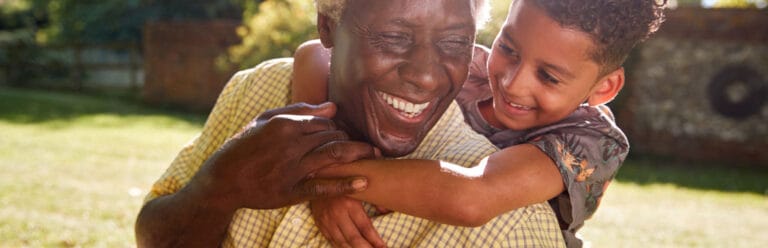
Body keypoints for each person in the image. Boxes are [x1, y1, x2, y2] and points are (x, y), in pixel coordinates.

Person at [135, 0, 566, 247]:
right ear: (328, 27)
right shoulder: (258, 90)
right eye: (394, 38)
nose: (426, 75)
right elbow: (153, 236)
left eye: (455, 43)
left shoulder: (510, 228)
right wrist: (218, 188)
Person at [290, 0, 667, 247]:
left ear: (605, 87)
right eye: (508, 49)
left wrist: (329, 179)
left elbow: (472, 197)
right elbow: (314, 54)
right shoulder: (465, 70)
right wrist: (322, 156)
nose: (513, 82)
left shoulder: (590, 142)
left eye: (549, 77)